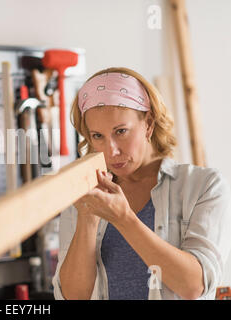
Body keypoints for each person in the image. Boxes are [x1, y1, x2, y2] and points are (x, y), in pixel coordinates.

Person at [52, 67, 231, 300]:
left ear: (148, 123)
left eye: (121, 131)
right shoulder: (86, 194)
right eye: (98, 136)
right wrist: (87, 218)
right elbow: (74, 296)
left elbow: (194, 286)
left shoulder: (203, 186)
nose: (111, 150)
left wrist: (124, 219)